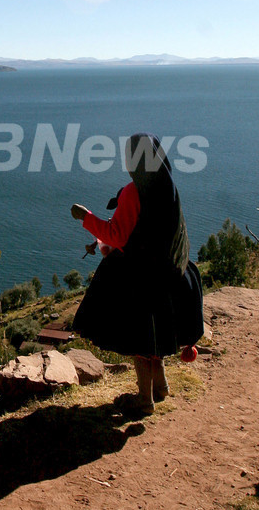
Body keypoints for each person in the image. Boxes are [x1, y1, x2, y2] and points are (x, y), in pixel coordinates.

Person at [70, 133, 203, 416]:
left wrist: (86, 218)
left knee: (140, 339)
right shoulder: (166, 187)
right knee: (153, 337)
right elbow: (147, 233)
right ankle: (161, 386)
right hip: (168, 274)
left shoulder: (134, 192)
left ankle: (144, 399)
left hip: (139, 277)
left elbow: (118, 235)